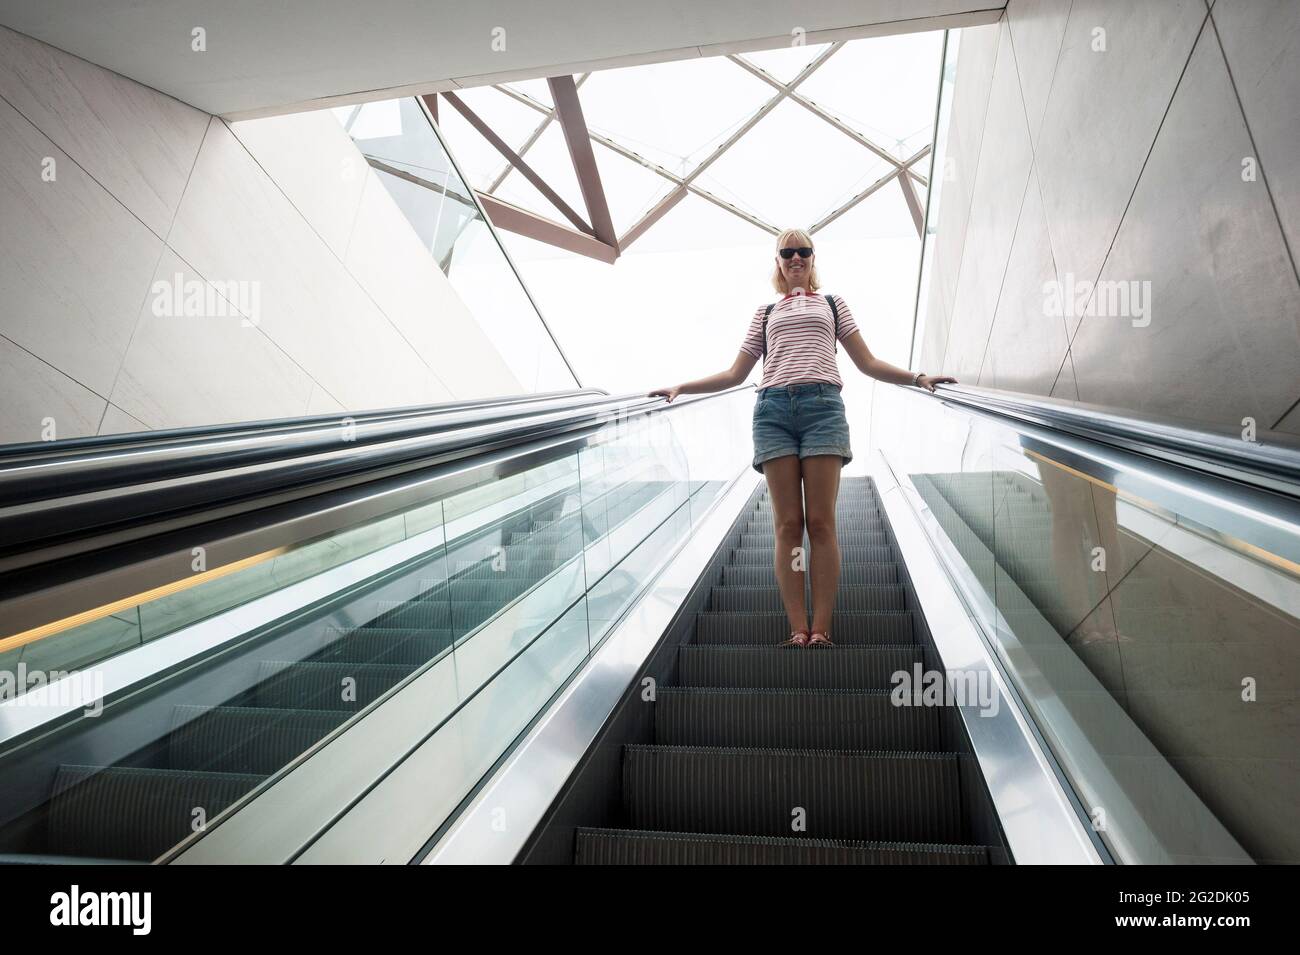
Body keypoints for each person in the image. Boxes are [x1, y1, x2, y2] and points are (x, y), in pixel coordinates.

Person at [649, 228, 956, 647]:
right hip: (772, 411)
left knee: (821, 522)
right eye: (787, 252)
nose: (796, 258)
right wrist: (682, 387)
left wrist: (919, 378)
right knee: (788, 525)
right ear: (777, 262)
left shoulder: (833, 304)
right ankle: (797, 628)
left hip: (822, 408)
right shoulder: (764, 313)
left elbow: (866, 362)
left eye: (803, 251)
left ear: (813, 259)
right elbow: (735, 374)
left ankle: (821, 629)